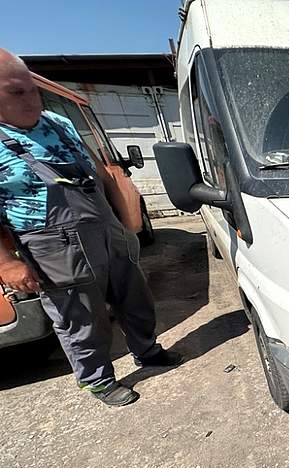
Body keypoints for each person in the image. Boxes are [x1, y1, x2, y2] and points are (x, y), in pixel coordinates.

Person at [0, 49, 181, 406]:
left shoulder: (58, 123)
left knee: (134, 296)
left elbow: (100, 172)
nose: (31, 99)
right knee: (81, 315)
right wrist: (6, 264)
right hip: (53, 243)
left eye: (33, 90)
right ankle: (98, 380)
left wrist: (125, 223)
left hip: (105, 225)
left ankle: (146, 350)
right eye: (17, 92)